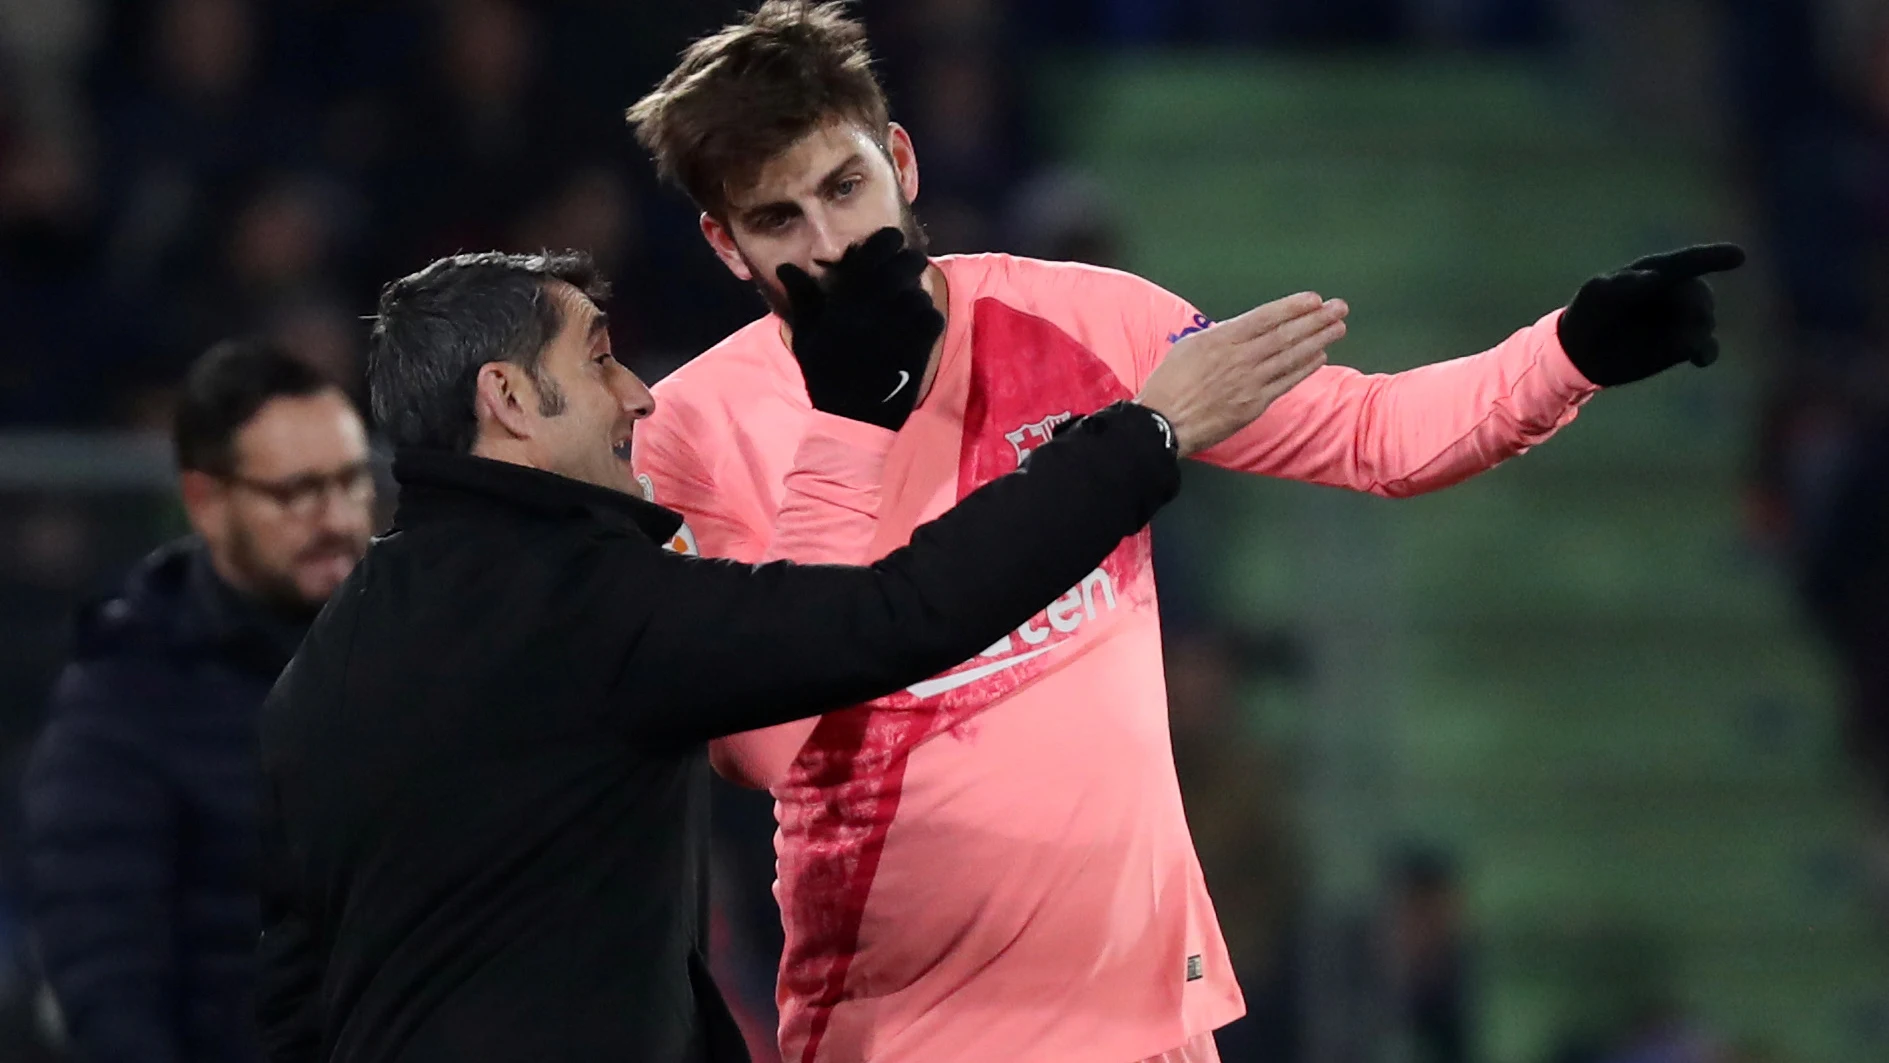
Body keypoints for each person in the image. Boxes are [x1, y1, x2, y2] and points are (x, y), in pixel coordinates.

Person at [622, 4, 1746, 1061]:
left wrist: (1570, 353)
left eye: (843, 186)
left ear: (900, 164)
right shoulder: (688, 434)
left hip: (1140, 1009)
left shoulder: (1083, 318)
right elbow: (763, 747)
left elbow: (1374, 433)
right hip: (904, 1021)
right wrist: (848, 428)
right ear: (726, 246)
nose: (827, 245)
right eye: (780, 219)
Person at [255, 244, 1323, 1063]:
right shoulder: (586, 606)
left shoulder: (327, 658)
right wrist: (1147, 436)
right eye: (595, 360)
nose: (639, 393)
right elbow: (902, 614)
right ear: (507, 400)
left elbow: (291, 986)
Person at [24, 339, 374, 1063]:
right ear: (207, 502)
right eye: (297, 491)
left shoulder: (410, 654)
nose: (337, 518)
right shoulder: (126, 699)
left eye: (351, 481)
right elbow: (105, 970)